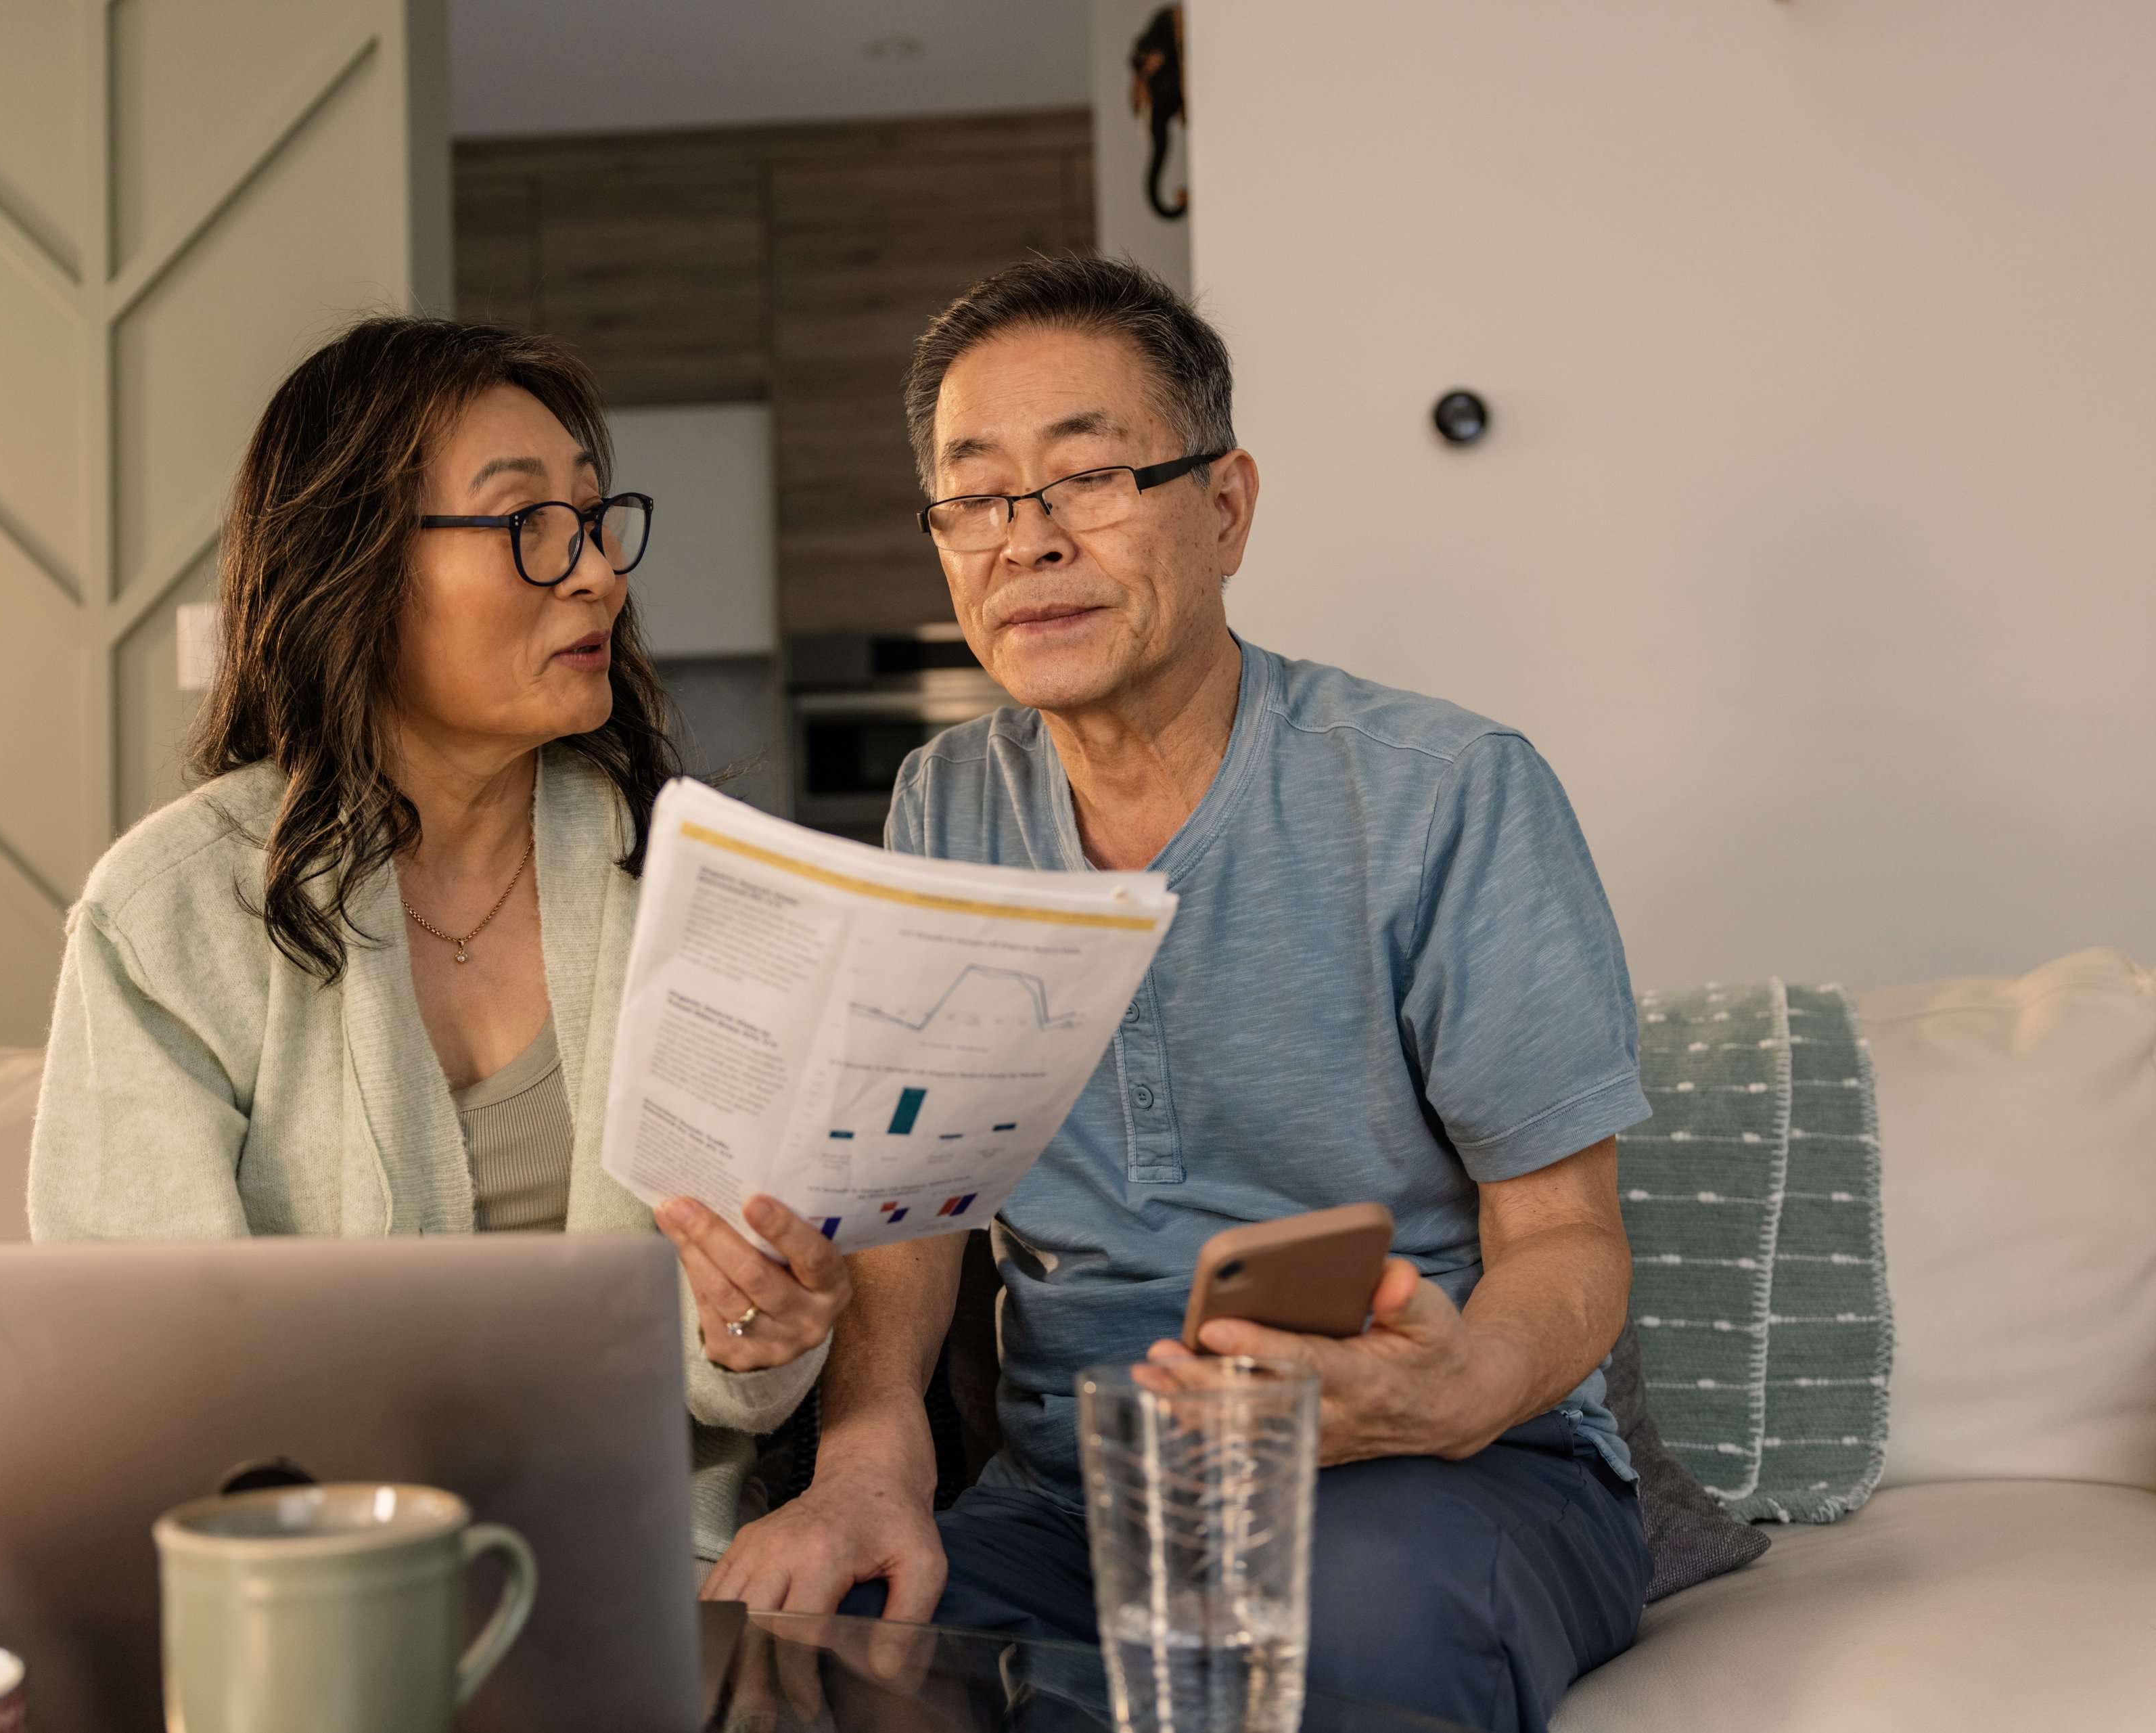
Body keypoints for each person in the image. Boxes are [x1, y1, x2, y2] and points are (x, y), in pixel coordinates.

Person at [703, 258, 1653, 1730]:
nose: (1027, 542)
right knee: (790, 1660)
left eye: (1087, 477)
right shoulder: (947, 801)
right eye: (976, 499)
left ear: (1226, 508)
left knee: (1344, 1630)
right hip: (1078, 1500)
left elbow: (1570, 1237)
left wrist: (1466, 1388)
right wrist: (869, 1464)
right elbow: (922, 1203)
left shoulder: (1447, 795)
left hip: (1433, 1480)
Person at [26, 317, 847, 1561]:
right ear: (353, 561)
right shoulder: (168, 912)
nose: (596, 575)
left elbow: (728, 1369)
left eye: (593, 515)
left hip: (647, 1575)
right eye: (529, 524)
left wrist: (764, 1329)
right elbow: (146, 1371)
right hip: (299, 1583)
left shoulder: (696, 885)